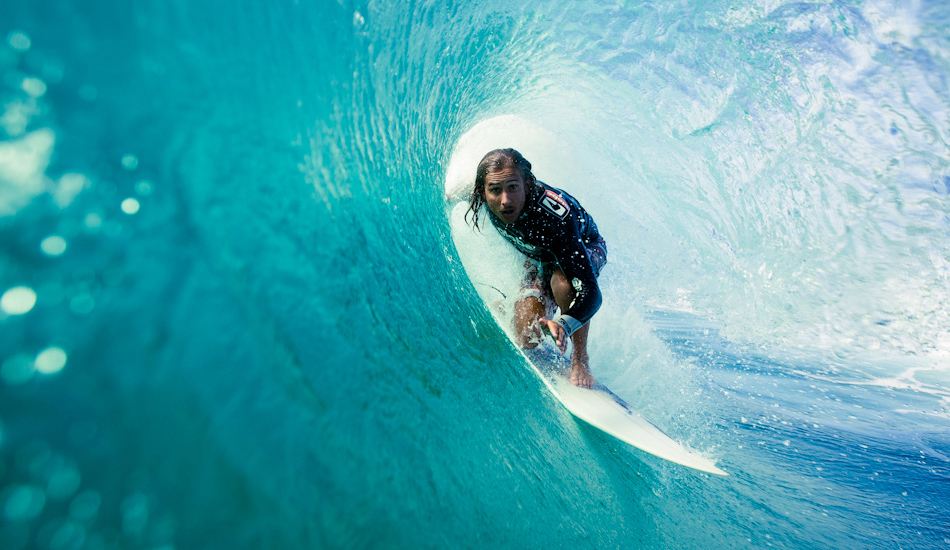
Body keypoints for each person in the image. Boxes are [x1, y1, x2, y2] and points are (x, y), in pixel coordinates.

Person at [466, 148, 607, 388]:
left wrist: (564, 323)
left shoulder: (555, 218)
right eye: (495, 190)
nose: (505, 200)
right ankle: (510, 305)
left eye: (513, 187)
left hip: (585, 246)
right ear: (482, 190)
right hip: (540, 256)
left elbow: (591, 292)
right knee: (526, 338)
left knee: (563, 283)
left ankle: (580, 358)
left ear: (527, 185)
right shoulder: (485, 195)